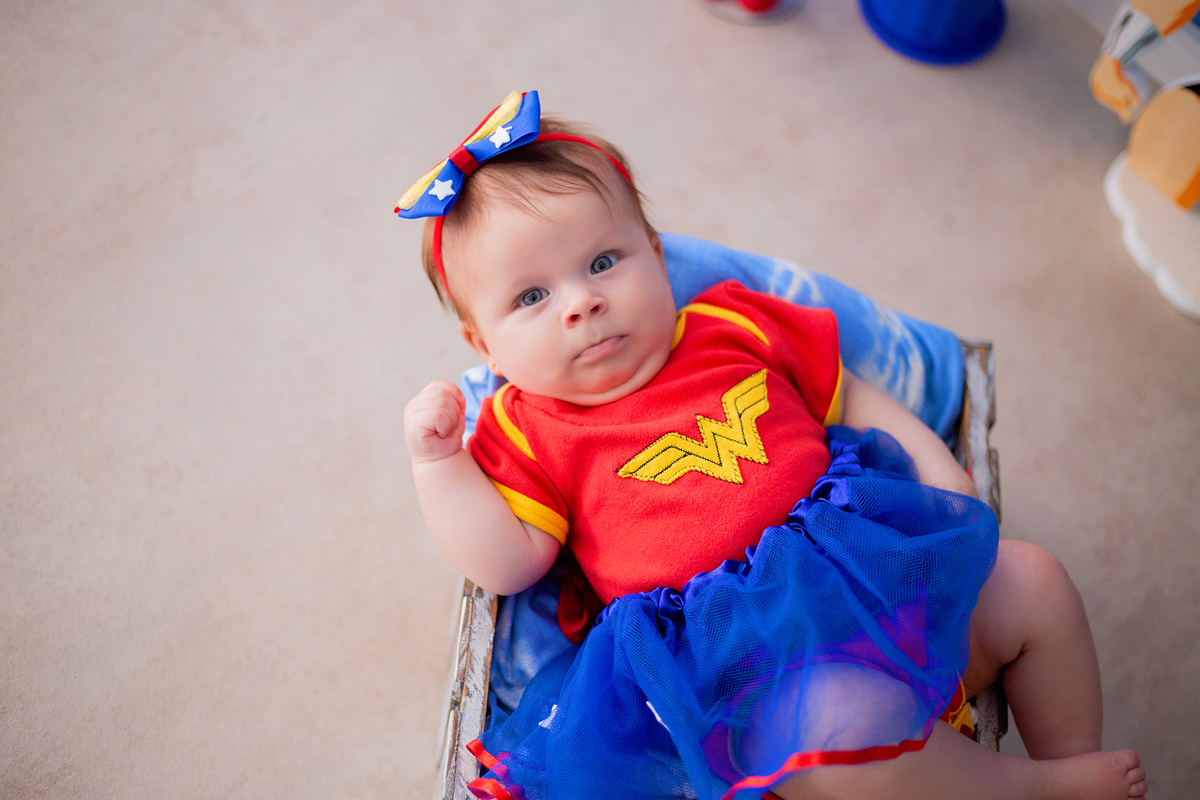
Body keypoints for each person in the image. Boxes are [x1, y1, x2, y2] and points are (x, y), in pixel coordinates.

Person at [399, 91, 1146, 800]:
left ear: (656, 255)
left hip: (874, 571)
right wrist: (439, 465)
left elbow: (848, 391)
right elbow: (510, 559)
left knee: (1037, 583)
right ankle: (1040, 790)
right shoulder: (530, 427)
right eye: (532, 297)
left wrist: (934, 460)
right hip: (750, 679)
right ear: (483, 344)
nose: (582, 303)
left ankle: (1070, 757)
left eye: (602, 262)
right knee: (847, 731)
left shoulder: (733, 323)